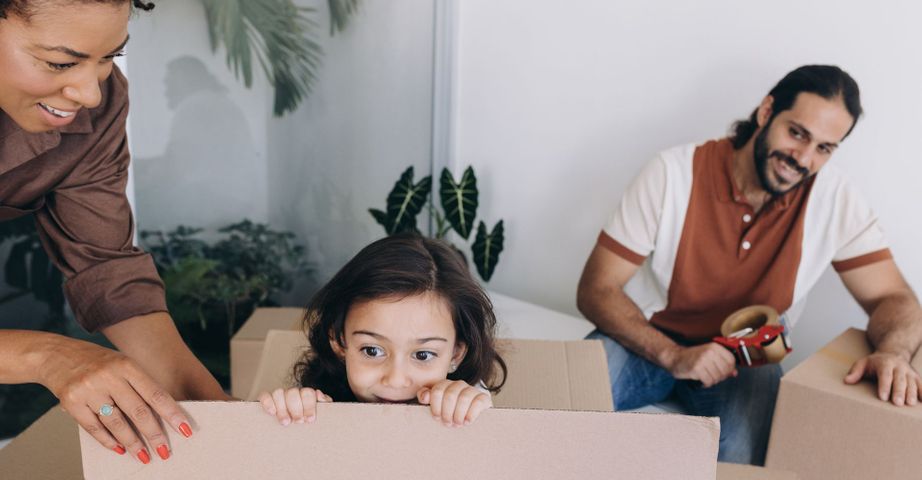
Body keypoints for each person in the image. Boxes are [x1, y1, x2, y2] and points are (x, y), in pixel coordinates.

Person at [576, 65, 922, 465]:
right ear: (766, 111)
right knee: (553, 406)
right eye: (797, 133)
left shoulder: (836, 199)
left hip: (747, 358)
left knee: (747, 459)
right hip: (648, 338)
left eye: (824, 148)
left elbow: (894, 298)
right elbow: (596, 288)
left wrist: (894, 353)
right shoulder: (671, 173)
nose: (804, 158)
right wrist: (672, 355)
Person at [0, 0, 228, 465]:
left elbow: (105, 266)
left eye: (109, 57)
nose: (90, 93)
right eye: (60, 63)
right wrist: (47, 357)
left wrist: (221, 421)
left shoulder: (98, 107)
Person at [258, 234, 507, 427]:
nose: (396, 380)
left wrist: (478, 418)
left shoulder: (468, 400)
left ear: (456, 354)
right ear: (339, 341)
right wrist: (290, 411)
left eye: (423, 355)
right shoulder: (319, 398)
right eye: (372, 350)